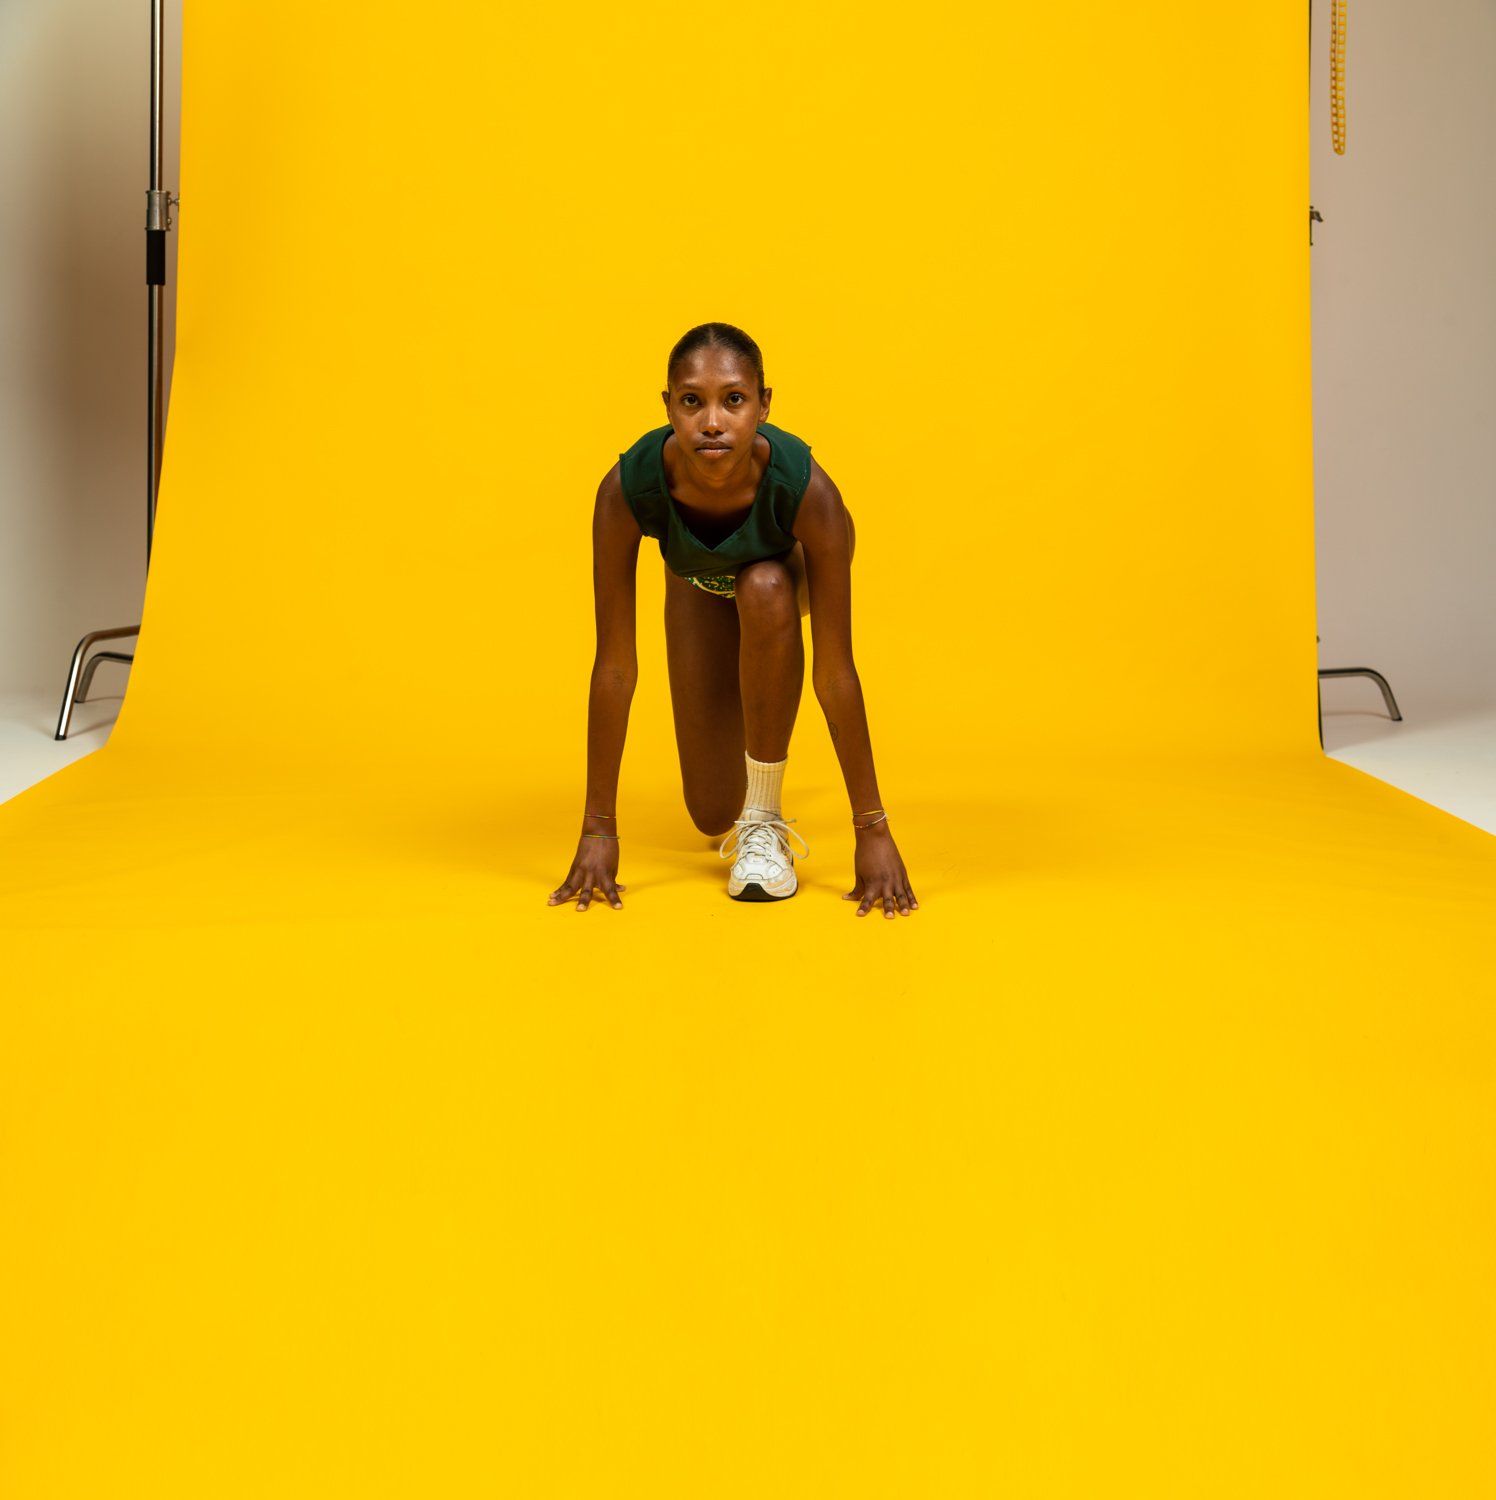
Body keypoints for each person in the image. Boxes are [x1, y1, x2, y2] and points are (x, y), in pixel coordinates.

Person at [547, 322, 918, 919]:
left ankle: (764, 821)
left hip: (787, 569)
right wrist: (598, 829)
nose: (713, 422)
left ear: (764, 405)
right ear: (668, 406)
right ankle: (711, 570)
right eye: (692, 401)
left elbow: (835, 672)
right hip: (699, 575)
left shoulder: (808, 489)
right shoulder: (626, 489)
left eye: (734, 399)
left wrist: (871, 828)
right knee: (711, 810)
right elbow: (614, 666)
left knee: (763, 585)